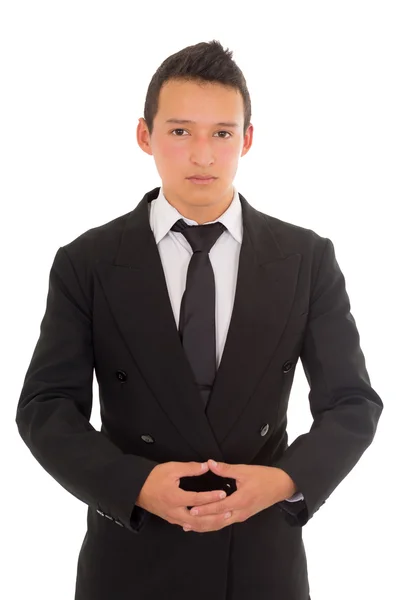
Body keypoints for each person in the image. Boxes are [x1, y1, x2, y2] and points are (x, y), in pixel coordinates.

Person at [15, 39, 383, 600]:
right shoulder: (85, 261)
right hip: (131, 558)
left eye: (223, 133)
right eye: (181, 132)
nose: (204, 156)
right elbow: (46, 408)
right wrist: (135, 484)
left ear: (248, 139)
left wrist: (282, 482)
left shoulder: (307, 257)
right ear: (146, 136)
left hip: (261, 559)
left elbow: (352, 403)